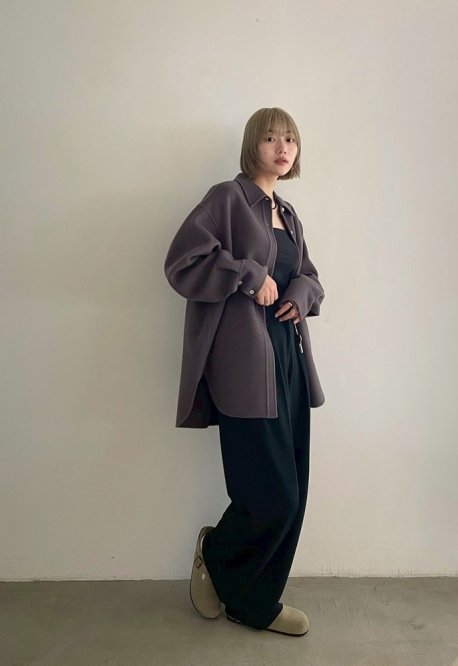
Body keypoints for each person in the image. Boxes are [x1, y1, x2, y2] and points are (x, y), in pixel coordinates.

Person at [164, 107, 325, 636]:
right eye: (271, 138)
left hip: (289, 361)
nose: (283, 148)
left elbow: (310, 276)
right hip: (243, 364)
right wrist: (246, 275)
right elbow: (182, 263)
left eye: (290, 140)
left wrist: (300, 294)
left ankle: (254, 598)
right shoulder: (227, 199)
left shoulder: (289, 214)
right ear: (252, 145)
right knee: (270, 494)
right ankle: (218, 556)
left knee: (293, 492)